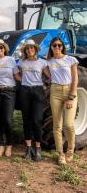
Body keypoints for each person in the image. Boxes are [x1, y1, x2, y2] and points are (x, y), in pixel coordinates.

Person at [47, 37, 78, 165]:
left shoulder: (70, 59)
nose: (57, 47)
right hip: (55, 91)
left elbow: (75, 79)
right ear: (51, 47)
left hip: (69, 91)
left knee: (68, 124)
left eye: (59, 45)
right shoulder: (49, 61)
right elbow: (40, 68)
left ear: (62, 47)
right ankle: (60, 154)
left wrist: (71, 96)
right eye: (54, 45)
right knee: (57, 125)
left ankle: (70, 150)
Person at [17, 39, 50, 161]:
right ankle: (28, 148)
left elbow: (49, 76)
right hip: (25, 91)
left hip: (37, 91)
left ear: (35, 49)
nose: (30, 50)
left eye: (32, 48)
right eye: (27, 48)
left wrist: (45, 85)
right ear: (25, 50)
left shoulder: (42, 62)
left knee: (37, 120)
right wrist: (24, 81)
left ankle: (37, 148)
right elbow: (17, 74)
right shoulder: (21, 63)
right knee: (26, 120)